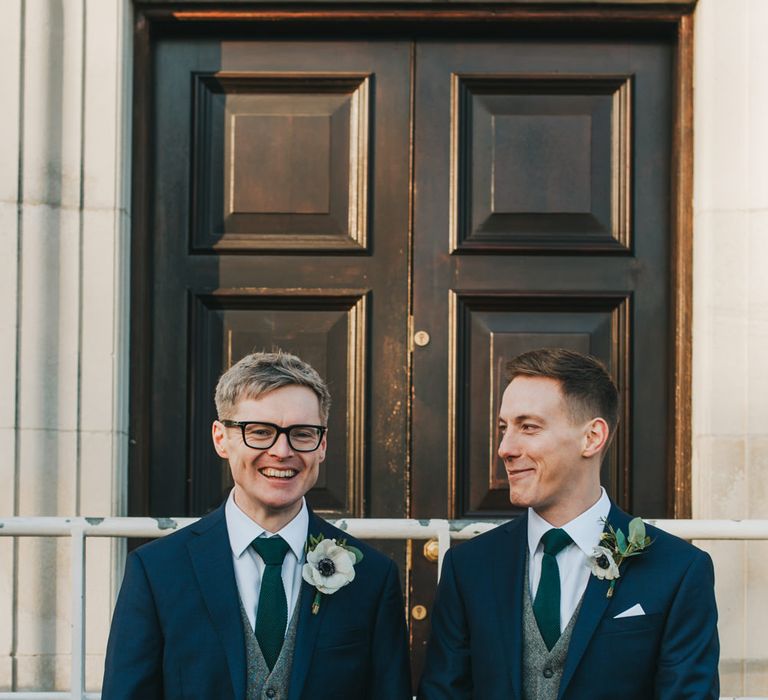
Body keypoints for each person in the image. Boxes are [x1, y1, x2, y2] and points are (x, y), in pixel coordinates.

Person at [103, 351, 411, 700]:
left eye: (303, 433)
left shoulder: (372, 576)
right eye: (260, 432)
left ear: (322, 445)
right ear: (221, 438)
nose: (282, 451)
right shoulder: (157, 571)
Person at [418, 347, 719, 700]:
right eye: (504, 428)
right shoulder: (468, 567)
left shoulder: (679, 570)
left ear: (591, 438)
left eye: (528, 427)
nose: (505, 448)